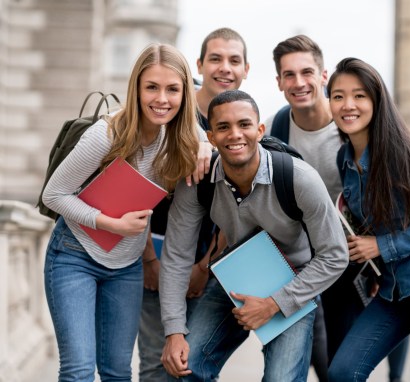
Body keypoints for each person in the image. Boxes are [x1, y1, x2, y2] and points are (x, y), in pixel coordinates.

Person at [42, 43, 212, 382]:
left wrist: (205, 143)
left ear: (185, 94)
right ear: (136, 88)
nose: (161, 99)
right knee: (78, 370)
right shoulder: (106, 135)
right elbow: (53, 194)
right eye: (152, 87)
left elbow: (197, 131)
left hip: (125, 267)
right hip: (75, 255)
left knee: (118, 373)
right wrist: (111, 224)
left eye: (172, 89)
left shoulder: (179, 137)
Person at [159, 89, 348, 381]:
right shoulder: (198, 182)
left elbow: (335, 255)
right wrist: (174, 331)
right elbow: (176, 256)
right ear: (210, 137)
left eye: (244, 125)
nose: (235, 134)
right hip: (235, 279)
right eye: (223, 127)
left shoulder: (300, 178)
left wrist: (274, 303)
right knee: (187, 365)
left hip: (294, 281)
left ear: (259, 130)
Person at [266, 34, 410, 381]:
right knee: (331, 357)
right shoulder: (277, 126)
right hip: (311, 253)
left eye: (307, 72)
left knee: (388, 317)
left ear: (323, 75)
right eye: (289, 75)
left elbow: (387, 191)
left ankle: (396, 375)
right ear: (279, 81)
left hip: (361, 249)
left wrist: (381, 255)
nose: (299, 83)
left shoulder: (350, 126)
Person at [326, 57, 410, 381]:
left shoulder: (398, 153)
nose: (347, 105)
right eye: (338, 96)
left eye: (359, 95)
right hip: (392, 286)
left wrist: (382, 246)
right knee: (342, 372)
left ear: (376, 101)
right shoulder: (344, 158)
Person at [138, 27, 249, 381]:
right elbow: (136, 187)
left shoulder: (243, 124)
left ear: (246, 69)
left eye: (234, 60)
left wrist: (205, 266)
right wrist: (150, 261)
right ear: (199, 65)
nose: (224, 68)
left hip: (209, 261)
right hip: (152, 250)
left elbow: (242, 208)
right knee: (156, 362)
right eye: (215, 59)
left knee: (196, 364)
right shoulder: (168, 112)